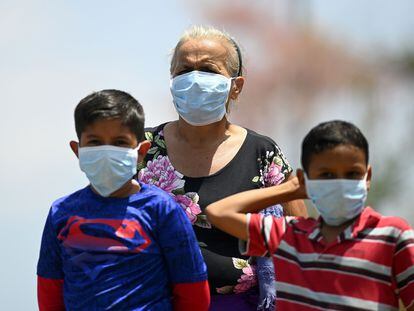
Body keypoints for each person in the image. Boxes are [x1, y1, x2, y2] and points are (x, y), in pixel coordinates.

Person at [137, 25, 307, 310]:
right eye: (184, 70)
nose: (194, 79)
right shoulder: (141, 149)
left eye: (208, 69)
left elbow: (300, 238)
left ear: (235, 86)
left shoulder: (262, 153)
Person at [206, 120, 414, 310]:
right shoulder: (288, 236)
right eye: (326, 175)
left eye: (352, 174)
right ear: (305, 181)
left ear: (367, 177)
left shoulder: (393, 235)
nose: (340, 183)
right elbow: (218, 212)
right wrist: (289, 188)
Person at [37, 89, 210, 310]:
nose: (107, 151)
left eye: (119, 142)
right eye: (95, 142)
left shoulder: (161, 209)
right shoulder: (61, 212)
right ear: (77, 150)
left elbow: (192, 291)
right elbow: (50, 291)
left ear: (141, 152)